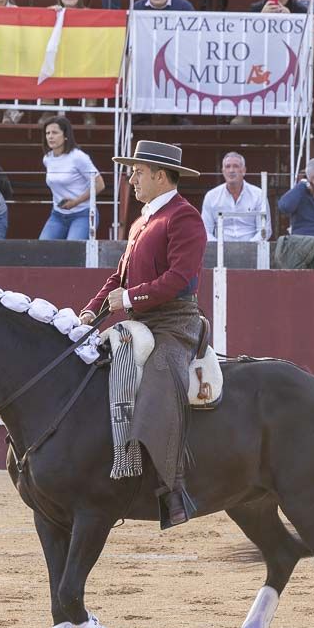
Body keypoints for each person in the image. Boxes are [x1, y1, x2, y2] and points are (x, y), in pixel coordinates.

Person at [78, 139, 205, 528]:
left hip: (174, 324)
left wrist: (130, 298)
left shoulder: (184, 218)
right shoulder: (143, 221)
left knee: (157, 387)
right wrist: (88, 313)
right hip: (138, 322)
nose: (131, 178)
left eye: (137, 171)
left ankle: (173, 489)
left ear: (160, 175)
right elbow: (117, 278)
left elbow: (178, 279)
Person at [39, 116, 104, 240]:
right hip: (57, 214)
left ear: (65, 135)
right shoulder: (47, 159)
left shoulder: (78, 157)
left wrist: (76, 202)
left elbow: (100, 184)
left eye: (55, 132)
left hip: (83, 214)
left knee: (73, 250)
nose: (50, 136)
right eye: (47, 133)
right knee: (42, 248)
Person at [200, 152, 268, 241]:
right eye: (227, 166)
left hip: (253, 249)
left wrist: (249, 248)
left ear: (244, 171)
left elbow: (265, 230)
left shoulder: (258, 195)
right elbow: (205, 231)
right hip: (220, 250)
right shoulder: (211, 196)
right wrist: (217, 248)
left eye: (236, 166)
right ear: (223, 171)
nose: (231, 170)